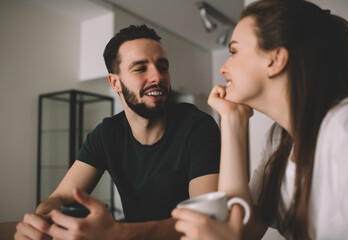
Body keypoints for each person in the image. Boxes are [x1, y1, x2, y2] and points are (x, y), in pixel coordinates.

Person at [172, 0, 348, 239]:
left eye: (234, 52)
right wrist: (231, 120)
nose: (223, 68)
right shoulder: (279, 139)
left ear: (275, 60)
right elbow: (242, 229)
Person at [15, 24, 220, 240]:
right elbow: (62, 196)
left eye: (163, 67)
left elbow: (205, 219)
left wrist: (118, 233)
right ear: (115, 82)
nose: (157, 77)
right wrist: (42, 222)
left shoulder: (198, 127)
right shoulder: (106, 134)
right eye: (141, 68)